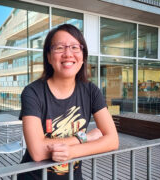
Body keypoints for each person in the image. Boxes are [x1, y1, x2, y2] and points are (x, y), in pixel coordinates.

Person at [19, 24, 119, 180]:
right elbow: (37, 151)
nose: (68, 54)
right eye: (59, 48)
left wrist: (72, 152)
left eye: (74, 47)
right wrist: (84, 138)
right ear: (49, 56)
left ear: (83, 56)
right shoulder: (33, 92)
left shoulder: (91, 91)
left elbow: (112, 140)